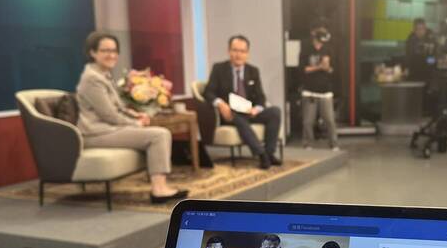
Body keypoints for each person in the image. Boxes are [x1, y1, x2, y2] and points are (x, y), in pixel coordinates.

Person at [76, 32, 187, 204]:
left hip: (108, 129)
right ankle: (159, 190)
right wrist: (136, 123)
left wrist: (135, 114)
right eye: (105, 50)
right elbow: (109, 115)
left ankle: (160, 186)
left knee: (158, 132)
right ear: (93, 52)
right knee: (159, 135)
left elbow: (117, 106)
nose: (111, 55)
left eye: (114, 50)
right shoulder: (92, 79)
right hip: (96, 133)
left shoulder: (103, 74)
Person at [204, 35, 282, 169]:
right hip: (230, 113)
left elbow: (260, 97)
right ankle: (261, 154)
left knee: (275, 111)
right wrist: (220, 104)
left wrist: (256, 109)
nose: (238, 55)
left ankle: (269, 153)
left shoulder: (253, 71)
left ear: (247, 54)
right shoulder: (218, 69)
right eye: (235, 50)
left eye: (242, 51)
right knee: (237, 116)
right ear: (229, 51)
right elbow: (208, 92)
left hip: (249, 111)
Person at [299, 22, 339, 151]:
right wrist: (318, 67)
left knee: (329, 120)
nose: (320, 44)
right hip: (309, 91)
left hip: (325, 90)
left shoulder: (329, 50)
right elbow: (303, 69)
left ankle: (334, 144)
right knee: (308, 121)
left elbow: (333, 70)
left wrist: (327, 67)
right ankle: (308, 143)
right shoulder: (306, 49)